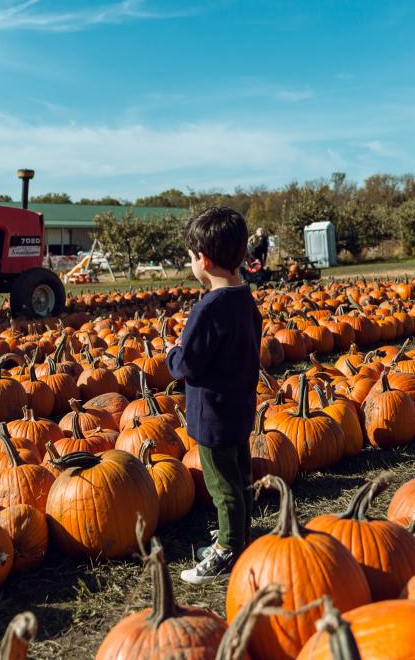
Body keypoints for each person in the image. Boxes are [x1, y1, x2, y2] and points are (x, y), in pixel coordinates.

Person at [166, 207, 262, 584]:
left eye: (191, 258)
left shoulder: (208, 309)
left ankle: (227, 551)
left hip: (213, 414)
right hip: (239, 405)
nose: (192, 264)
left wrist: (172, 353)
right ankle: (239, 536)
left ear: (203, 260)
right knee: (240, 478)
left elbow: (188, 365)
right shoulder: (244, 299)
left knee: (222, 485)